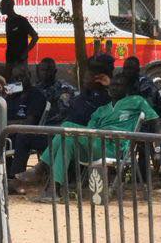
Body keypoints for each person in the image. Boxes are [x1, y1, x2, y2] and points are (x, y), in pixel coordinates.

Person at [16, 67, 158, 199]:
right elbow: (89, 131)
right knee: (68, 139)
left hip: (114, 147)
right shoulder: (101, 110)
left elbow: (155, 120)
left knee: (67, 126)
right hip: (95, 145)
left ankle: (42, 169)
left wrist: (157, 148)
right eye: (113, 84)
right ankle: (53, 189)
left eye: (119, 85)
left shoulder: (136, 101)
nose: (114, 87)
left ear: (127, 88)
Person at [10, 54, 113, 191]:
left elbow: (77, 118)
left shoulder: (105, 97)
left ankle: (43, 171)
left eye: (88, 76)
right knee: (24, 136)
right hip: (60, 134)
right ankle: (18, 181)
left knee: (65, 132)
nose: (84, 78)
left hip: (80, 138)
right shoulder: (85, 94)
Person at [1, 0, 38, 79]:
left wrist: (25, 53)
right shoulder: (8, 21)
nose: (0, 9)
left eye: (2, 6)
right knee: (8, 81)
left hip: (20, 59)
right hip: (10, 58)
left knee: (20, 80)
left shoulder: (21, 20)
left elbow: (35, 37)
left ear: (8, 6)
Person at [35, 57, 76, 124]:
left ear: (55, 71)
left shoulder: (64, 88)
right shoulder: (36, 88)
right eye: (42, 70)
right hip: (35, 125)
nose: (45, 73)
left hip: (56, 126)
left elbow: (64, 113)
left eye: (48, 70)